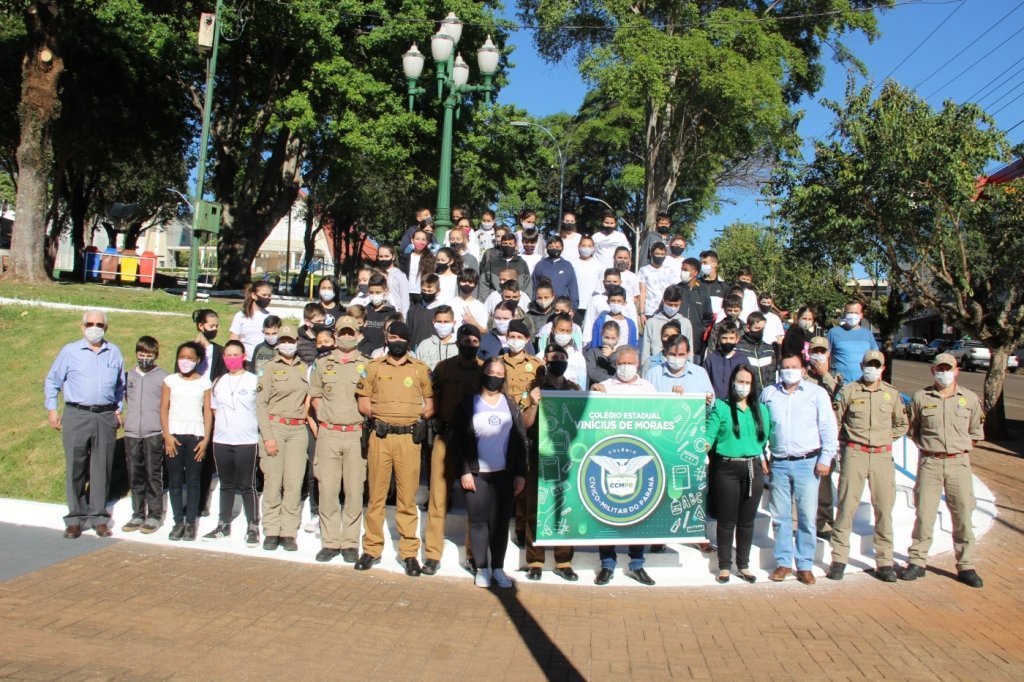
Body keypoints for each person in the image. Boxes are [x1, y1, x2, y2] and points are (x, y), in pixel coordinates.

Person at [355, 322, 434, 576]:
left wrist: (414, 415)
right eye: (392, 336)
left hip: (409, 440)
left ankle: (409, 553)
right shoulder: (374, 367)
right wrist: (380, 415)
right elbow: (363, 399)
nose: (396, 340)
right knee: (376, 496)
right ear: (386, 339)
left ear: (408, 341)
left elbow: (431, 402)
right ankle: (371, 549)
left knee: (406, 498)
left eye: (401, 337)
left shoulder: (420, 369)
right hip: (381, 435)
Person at [900, 353, 985, 588]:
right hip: (930, 463)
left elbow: (976, 432)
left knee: (963, 515)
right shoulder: (920, 397)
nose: (944, 373)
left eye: (949, 369)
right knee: (924, 514)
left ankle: (966, 564)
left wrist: (958, 450)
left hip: (959, 464)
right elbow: (913, 430)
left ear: (957, 371)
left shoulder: (968, 399)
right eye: (940, 369)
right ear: (933, 371)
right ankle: (917, 561)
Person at [827, 350, 909, 582]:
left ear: (883, 368)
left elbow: (902, 424)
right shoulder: (850, 391)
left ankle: (884, 561)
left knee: (883, 509)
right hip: (855, 453)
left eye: (876, 365)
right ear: (862, 365)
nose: (872, 369)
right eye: (868, 364)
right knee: (846, 507)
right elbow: (836, 421)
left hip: (882, 456)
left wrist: (884, 438)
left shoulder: (891, 394)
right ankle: (839, 558)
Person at [760, 353, 838, 585]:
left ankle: (804, 564)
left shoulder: (817, 393)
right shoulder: (769, 394)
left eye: (794, 367)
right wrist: (762, 455)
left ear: (803, 370)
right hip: (780, 462)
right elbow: (761, 428)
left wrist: (826, 458)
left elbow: (828, 428)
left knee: (806, 516)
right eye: (785, 367)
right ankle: (783, 562)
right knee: (780, 516)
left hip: (808, 463)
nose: (789, 370)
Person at [452, 358, 528, 588]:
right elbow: (457, 442)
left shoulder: (511, 404)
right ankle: (481, 568)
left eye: (499, 373)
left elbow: (520, 440)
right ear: (483, 374)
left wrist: (520, 473)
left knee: (500, 523)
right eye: (490, 372)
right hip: (477, 473)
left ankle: (498, 569)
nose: (494, 376)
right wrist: (464, 471)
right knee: (478, 522)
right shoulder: (468, 404)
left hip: (504, 474)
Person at [591, 346, 657, 585]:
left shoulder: (648, 389)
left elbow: (659, 417)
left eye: (630, 363)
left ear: (637, 364)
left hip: (639, 456)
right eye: (621, 363)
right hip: (611, 455)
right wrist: (593, 393)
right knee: (607, 511)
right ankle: (607, 564)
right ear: (616, 365)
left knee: (638, 512)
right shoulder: (605, 387)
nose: (626, 367)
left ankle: (637, 563)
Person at [307, 317, 368, 564]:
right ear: (335, 334)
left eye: (350, 332)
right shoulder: (322, 364)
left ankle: (350, 542)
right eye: (342, 332)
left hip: (355, 434)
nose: (346, 336)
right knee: (328, 489)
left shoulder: (367, 365)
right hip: (329, 433)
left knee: (354, 490)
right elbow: (315, 396)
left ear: (357, 334)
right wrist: (324, 418)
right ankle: (330, 541)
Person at [427, 325, 484, 574]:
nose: (469, 344)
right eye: (465, 340)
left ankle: (473, 555)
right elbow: (432, 397)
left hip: (474, 442)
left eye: (474, 341)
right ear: (458, 342)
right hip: (445, 438)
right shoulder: (444, 368)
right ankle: (432, 554)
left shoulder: (485, 371)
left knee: (475, 503)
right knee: (438, 499)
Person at [707, 365, 771, 583]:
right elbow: (709, 435)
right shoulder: (722, 407)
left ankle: (743, 565)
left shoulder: (761, 410)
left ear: (753, 386)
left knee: (747, 521)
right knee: (726, 521)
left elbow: (764, 438)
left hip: (752, 466)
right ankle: (724, 566)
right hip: (727, 468)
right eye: (739, 381)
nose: (742, 386)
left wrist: (757, 455)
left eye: (747, 382)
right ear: (732, 382)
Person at [520, 345, 579, 581]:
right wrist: (533, 403)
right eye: (554, 358)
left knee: (566, 508)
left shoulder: (574, 389)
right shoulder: (533, 388)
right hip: (539, 455)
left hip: (566, 456)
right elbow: (524, 424)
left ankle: (563, 561)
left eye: (563, 358)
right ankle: (535, 561)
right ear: (545, 360)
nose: (559, 361)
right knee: (536, 507)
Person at [255, 326, 309, 552]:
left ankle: (288, 531)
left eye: (291, 340)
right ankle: (271, 530)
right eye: (284, 340)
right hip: (275, 427)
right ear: (278, 342)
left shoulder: (304, 367)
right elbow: (261, 404)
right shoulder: (268, 368)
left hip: (297, 430)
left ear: (297, 342)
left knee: (293, 483)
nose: (288, 344)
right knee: (273, 481)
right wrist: (267, 436)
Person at [203, 340, 261, 547]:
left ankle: (253, 526)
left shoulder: (253, 380)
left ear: (244, 356)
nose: (231, 359)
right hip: (222, 440)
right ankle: (223, 524)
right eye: (228, 355)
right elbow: (214, 409)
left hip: (247, 441)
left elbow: (261, 409)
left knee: (247, 485)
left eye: (235, 355)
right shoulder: (218, 381)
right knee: (226, 485)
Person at [160, 341, 213, 542]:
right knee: (174, 482)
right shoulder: (170, 381)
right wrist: (166, 435)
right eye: (182, 357)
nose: (185, 361)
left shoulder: (205, 383)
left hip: (196, 437)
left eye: (190, 358)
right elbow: (163, 408)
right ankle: (177, 522)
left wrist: (206, 439)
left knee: (193, 482)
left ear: (198, 360)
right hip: (173, 437)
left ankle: (191, 523)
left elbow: (207, 412)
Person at [120, 335, 167, 534]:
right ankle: (138, 513)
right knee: (135, 474)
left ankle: (155, 514)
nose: (144, 357)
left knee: (153, 474)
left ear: (155, 355)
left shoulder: (163, 377)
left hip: (154, 432)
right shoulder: (129, 376)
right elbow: (121, 399)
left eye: (148, 354)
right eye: (141, 353)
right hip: (132, 432)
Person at [804, 336, 844, 538]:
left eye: (822, 351)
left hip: (828, 439)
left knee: (826, 485)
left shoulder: (836, 378)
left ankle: (825, 521)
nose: (818, 356)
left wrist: (826, 375)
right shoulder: (803, 377)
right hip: (807, 437)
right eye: (814, 351)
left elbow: (843, 397)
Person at [640, 288, 691, 374]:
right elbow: (646, 351)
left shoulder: (685, 323)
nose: (672, 308)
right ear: (663, 301)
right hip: (656, 366)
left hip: (679, 368)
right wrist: (644, 370)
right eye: (670, 304)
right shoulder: (652, 322)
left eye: (676, 305)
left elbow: (690, 350)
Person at [826, 299, 877, 383]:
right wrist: (829, 378)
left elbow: (875, 359)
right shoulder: (833, 333)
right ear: (844, 315)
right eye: (850, 313)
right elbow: (826, 357)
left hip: (863, 385)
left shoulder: (868, 334)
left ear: (861, 315)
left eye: (856, 313)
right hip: (841, 385)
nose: (853, 315)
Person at [644, 335, 714, 396]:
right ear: (666, 352)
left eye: (681, 355)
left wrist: (708, 401)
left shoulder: (700, 373)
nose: (676, 358)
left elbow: (711, 402)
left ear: (688, 353)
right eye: (672, 354)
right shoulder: (652, 375)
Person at [673, 258, 714, 359]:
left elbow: (708, 317)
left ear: (695, 272)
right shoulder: (675, 289)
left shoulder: (703, 292)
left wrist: (700, 330)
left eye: (685, 270)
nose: (682, 272)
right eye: (682, 269)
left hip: (696, 345)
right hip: (675, 343)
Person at [479, 231, 532, 302]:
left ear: (515, 246)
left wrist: (525, 301)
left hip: (516, 301)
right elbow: (484, 283)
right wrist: (484, 301)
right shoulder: (492, 262)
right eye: (505, 243)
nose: (507, 246)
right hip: (495, 300)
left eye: (510, 244)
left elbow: (527, 285)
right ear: (501, 245)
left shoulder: (521, 263)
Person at [736, 312, 778, 396]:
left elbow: (772, 374)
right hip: (748, 396)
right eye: (757, 328)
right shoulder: (738, 349)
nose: (760, 331)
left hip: (767, 395)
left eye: (763, 328)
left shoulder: (768, 349)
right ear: (748, 327)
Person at [638, 241, 681, 325]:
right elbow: (642, 292)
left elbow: (675, 290)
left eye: (662, 254)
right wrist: (642, 313)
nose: (659, 256)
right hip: (649, 311)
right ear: (651, 254)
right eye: (657, 254)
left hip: (666, 310)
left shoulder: (670, 270)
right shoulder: (644, 270)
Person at [532, 235, 579, 309]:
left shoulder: (567, 265)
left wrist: (573, 308)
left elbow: (573, 288)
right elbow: (534, 287)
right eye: (551, 247)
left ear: (562, 248)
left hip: (562, 307)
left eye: (557, 247)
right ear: (546, 248)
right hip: (543, 307)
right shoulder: (540, 265)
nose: (554, 249)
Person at [230, 281, 273, 361]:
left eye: (269, 295)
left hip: (266, 361)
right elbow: (234, 341)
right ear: (253, 295)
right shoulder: (240, 316)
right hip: (246, 361)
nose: (267, 298)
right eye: (264, 295)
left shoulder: (271, 316)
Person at [704, 324, 748, 400]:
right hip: (716, 404)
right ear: (718, 338)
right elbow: (704, 382)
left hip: (736, 403)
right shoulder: (711, 359)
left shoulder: (743, 360)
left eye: (731, 338)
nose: (728, 341)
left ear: (737, 339)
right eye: (724, 338)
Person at [588, 285, 638, 349]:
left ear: (625, 303)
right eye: (613, 301)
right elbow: (595, 345)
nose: (616, 303)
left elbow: (632, 347)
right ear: (608, 302)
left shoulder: (630, 324)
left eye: (619, 301)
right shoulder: (601, 321)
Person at [359, 273, 397, 356]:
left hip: (381, 356)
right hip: (363, 355)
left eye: (377, 292)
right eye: (371, 292)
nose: (374, 295)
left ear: (386, 291)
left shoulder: (392, 313)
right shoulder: (364, 311)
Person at [416, 305, 458, 370]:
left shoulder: (459, 347)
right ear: (434, 322)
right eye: (439, 322)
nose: (442, 325)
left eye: (446, 322)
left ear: (453, 323)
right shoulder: (424, 345)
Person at [448, 268, 488, 333]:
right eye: (464, 281)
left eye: (470, 282)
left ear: (475, 285)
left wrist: (473, 323)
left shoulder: (480, 307)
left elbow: (483, 332)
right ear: (458, 283)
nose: (467, 284)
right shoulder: (449, 303)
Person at [192, 308, 226, 381]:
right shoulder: (188, 349)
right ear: (201, 326)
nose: (215, 329)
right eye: (211, 326)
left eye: (216, 326)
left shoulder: (219, 350)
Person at [376, 244, 410, 316]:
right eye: (381, 256)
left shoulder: (400, 275)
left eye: (386, 256)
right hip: (378, 312)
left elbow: (405, 298)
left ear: (393, 257)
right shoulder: (375, 273)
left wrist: (404, 317)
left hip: (395, 313)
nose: (383, 259)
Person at [573, 235, 603, 318]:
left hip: (592, 305)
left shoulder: (599, 265)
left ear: (593, 248)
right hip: (577, 306)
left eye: (589, 246)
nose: (586, 248)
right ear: (579, 246)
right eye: (584, 245)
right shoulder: (573, 264)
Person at [585, 321, 620, 386]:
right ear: (602, 334)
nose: (609, 341)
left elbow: (619, 371)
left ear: (618, 337)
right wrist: (611, 381)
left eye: (613, 338)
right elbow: (592, 372)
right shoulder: (592, 352)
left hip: (616, 388)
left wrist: (612, 356)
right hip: (598, 388)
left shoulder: (620, 354)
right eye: (607, 337)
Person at [698, 250, 730, 315]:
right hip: (699, 323)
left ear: (715, 264)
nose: (702, 265)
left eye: (705, 263)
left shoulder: (724, 286)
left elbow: (727, 308)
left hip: (717, 323)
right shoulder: (697, 283)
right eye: (701, 263)